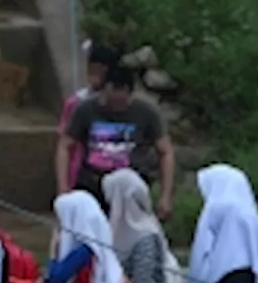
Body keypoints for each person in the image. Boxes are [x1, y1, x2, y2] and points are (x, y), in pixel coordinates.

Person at [56, 61, 175, 218]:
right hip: (92, 183)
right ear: (104, 90)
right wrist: (63, 188)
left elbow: (165, 152)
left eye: (122, 101)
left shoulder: (147, 112)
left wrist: (165, 196)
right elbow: (65, 146)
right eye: (112, 100)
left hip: (131, 186)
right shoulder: (85, 109)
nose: (117, 106)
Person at [58, 41, 115, 190]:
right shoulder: (76, 102)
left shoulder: (118, 102)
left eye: (101, 70)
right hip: (80, 172)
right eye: (92, 69)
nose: (95, 74)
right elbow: (65, 144)